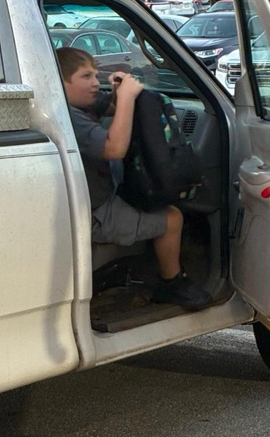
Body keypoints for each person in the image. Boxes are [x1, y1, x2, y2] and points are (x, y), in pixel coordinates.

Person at [58, 46, 212, 310]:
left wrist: (121, 91)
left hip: (104, 194)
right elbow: (114, 147)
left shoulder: (76, 105)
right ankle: (171, 282)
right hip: (96, 212)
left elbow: (113, 106)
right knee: (173, 218)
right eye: (86, 77)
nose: (95, 83)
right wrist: (127, 99)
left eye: (96, 75)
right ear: (60, 84)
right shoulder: (69, 118)